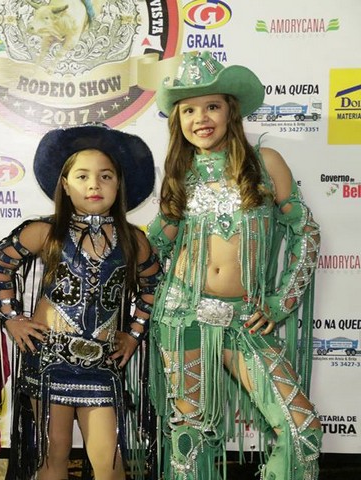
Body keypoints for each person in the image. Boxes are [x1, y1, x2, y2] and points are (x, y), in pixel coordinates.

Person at [148, 51, 322, 480]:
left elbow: (305, 233)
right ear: (177, 120)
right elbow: (154, 245)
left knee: (301, 428)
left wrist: (281, 302)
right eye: (188, 110)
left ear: (231, 111)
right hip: (182, 316)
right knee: (189, 437)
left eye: (212, 106)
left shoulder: (266, 162)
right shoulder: (179, 173)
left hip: (246, 318)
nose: (200, 118)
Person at [0, 123, 162, 480]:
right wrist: (12, 318)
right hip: (48, 362)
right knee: (54, 456)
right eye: (82, 176)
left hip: (102, 366)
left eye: (105, 176)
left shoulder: (133, 240)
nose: (94, 185)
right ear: (64, 184)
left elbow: (153, 285)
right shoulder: (45, 231)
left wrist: (134, 334)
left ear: (119, 185)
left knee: (110, 463)